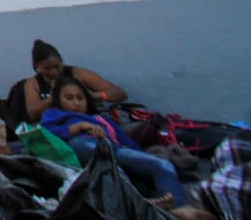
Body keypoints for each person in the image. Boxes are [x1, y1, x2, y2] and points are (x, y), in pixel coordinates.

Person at [42, 75, 190, 209]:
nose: (76, 103)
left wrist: (143, 157)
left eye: (80, 98)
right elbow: (46, 135)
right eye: (69, 98)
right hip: (84, 146)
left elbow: (129, 145)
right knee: (96, 152)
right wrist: (79, 126)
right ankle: (141, 202)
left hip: (116, 151)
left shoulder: (103, 120)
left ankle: (178, 208)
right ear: (59, 100)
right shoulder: (55, 115)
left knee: (162, 165)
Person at [11, 38, 128, 127]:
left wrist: (96, 96)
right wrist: (53, 97)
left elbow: (119, 92)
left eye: (57, 66)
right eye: (47, 69)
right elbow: (32, 113)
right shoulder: (33, 84)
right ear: (38, 67)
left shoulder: (78, 74)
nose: (54, 72)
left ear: (62, 61)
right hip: (59, 128)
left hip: (89, 122)